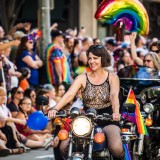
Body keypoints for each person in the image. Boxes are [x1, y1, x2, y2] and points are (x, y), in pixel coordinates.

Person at [48, 44, 124, 159]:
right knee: (64, 146)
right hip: (86, 120)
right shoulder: (82, 77)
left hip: (108, 118)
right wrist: (55, 108)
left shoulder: (112, 77)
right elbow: (69, 95)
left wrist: (116, 112)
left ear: (102, 59)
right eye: (89, 58)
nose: (91, 61)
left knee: (116, 147)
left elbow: (114, 96)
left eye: (95, 58)